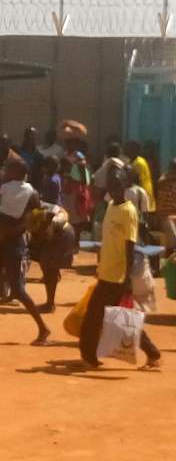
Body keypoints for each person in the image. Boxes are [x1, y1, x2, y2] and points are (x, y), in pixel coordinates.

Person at [79, 166, 161, 369]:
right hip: (106, 272)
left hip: (118, 275)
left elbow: (129, 245)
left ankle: (88, 356)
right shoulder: (110, 207)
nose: (113, 189)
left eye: (117, 185)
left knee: (98, 316)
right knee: (119, 317)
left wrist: (126, 279)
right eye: (110, 185)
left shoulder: (128, 211)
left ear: (125, 186)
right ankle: (153, 353)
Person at [0, 158, 51, 345]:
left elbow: (32, 219)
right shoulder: (25, 191)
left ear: (16, 172)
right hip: (5, 239)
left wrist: (7, 231)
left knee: (17, 289)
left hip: (11, 242)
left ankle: (43, 328)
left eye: (8, 169)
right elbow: (34, 218)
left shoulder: (21, 190)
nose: (5, 172)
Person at [154, 159, 176, 253]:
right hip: (165, 217)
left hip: (173, 215)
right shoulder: (163, 182)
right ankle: (171, 260)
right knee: (173, 236)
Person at [124, 141, 154, 205]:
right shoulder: (138, 160)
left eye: (128, 149)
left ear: (134, 150)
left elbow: (133, 180)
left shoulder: (138, 163)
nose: (125, 152)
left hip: (142, 196)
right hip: (143, 195)